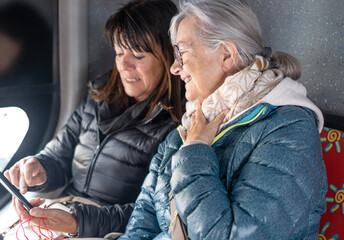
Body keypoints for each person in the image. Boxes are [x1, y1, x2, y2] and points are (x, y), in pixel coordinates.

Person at [119, 0, 327, 239]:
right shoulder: (186, 129)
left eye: (182, 53)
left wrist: (195, 152)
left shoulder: (289, 130)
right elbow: (139, 229)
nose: (174, 67)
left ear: (227, 55)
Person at [4, 0, 182, 238]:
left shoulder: (177, 124)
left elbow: (152, 213)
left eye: (138, 56)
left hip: (105, 229)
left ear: (169, 57)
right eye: (119, 53)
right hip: (67, 209)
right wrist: (39, 170)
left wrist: (77, 222)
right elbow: (59, 154)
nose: (124, 65)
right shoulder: (99, 95)